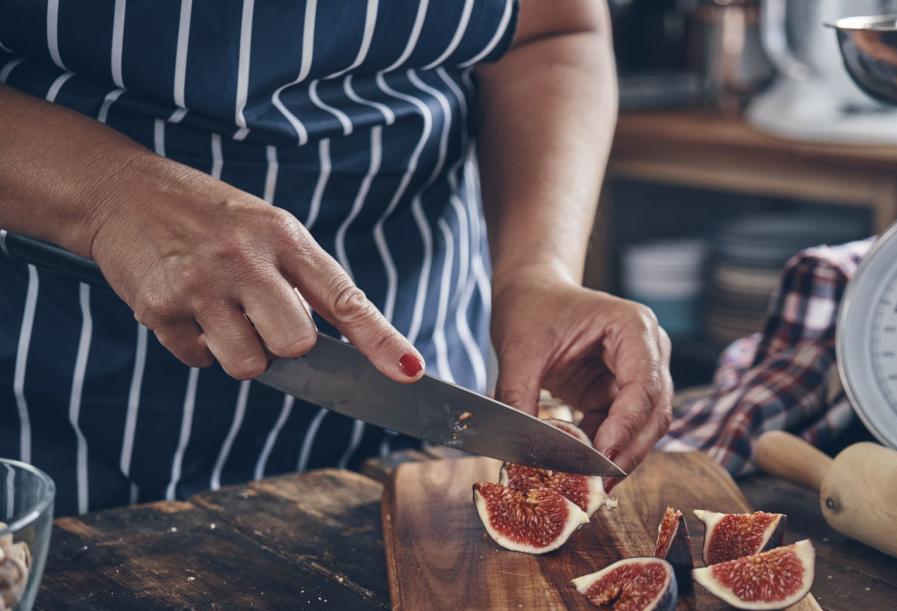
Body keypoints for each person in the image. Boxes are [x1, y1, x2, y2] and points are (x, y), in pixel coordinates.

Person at [0, 1, 673, 515]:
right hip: (53, 379)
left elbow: (553, 31)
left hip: (416, 394)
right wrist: (111, 196)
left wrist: (535, 269)